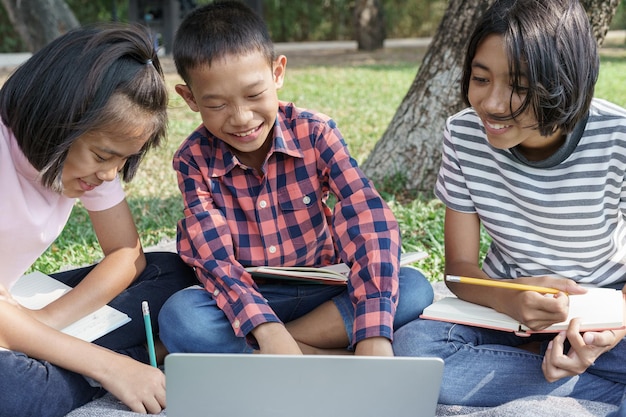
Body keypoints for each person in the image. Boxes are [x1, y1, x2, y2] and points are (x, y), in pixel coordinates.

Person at [158, 0, 434, 357]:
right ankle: (308, 351)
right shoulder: (192, 159)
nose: (241, 118)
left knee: (413, 288)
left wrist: (373, 335)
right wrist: (266, 328)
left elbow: (367, 217)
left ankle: (277, 352)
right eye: (217, 105)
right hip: (251, 296)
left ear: (277, 73)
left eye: (254, 94)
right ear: (189, 97)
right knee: (183, 318)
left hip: (325, 287)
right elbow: (215, 259)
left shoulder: (315, 133)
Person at [393, 0, 626, 410]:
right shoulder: (464, 135)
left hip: (608, 318)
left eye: (519, 87)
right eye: (481, 79)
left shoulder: (617, 137)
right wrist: (511, 297)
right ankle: (601, 393)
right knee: (415, 345)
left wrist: (609, 331)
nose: (494, 104)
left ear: (564, 81)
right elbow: (459, 272)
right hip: (506, 317)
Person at [0, 24, 198, 417]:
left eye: (123, 160)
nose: (110, 174)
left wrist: (45, 321)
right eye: (104, 156)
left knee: (173, 271)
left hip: (15, 313)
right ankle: (128, 360)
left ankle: (67, 360)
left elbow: (127, 255)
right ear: (57, 119)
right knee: (17, 394)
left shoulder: (87, 164)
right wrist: (111, 367)